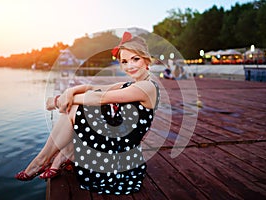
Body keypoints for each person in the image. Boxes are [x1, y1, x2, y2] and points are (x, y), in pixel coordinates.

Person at [15, 31, 160, 195]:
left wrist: (57, 102)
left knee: (79, 108)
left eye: (135, 59)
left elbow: (99, 98)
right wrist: (68, 93)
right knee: (79, 107)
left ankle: (45, 159)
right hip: (116, 142)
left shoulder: (147, 87)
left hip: (119, 153)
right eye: (124, 61)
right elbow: (91, 88)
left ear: (146, 59)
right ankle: (58, 156)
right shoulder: (130, 85)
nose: (130, 66)